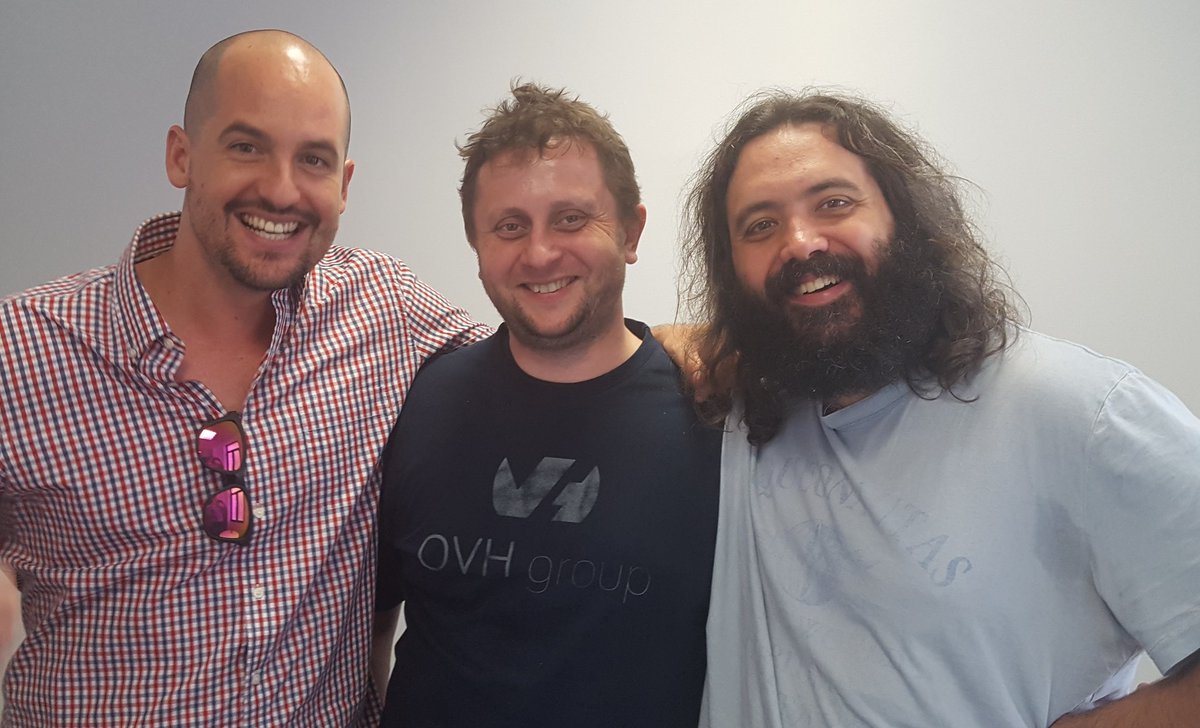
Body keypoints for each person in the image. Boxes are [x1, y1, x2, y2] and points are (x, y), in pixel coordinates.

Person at [0, 30, 487, 725]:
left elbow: (547, 364)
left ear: (344, 185)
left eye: (313, 159)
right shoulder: (22, 349)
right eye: (246, 146)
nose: (281, 190)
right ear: (182, 156)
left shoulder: (382, 309)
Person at [681, 91, 1200, 727]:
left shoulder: (1084, 411)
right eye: (760, 226)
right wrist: (677, 346)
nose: (800, 242)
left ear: (906, 218)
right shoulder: (753, 412)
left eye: (834, 203)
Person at [372, 83, 721, 727]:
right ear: (477, 246)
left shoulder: (713, 413)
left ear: (631, 231)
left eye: (570, 219)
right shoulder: (419, 400)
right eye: (510, 227)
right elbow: (373, 612)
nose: (538, 253)